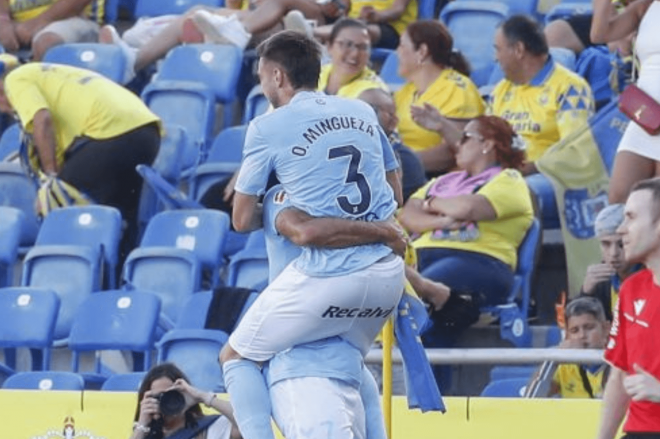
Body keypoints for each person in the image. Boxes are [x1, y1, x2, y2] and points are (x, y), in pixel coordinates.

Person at [219, 31, 405, 439]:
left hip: (331, 276)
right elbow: (395, 191)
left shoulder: (267, 126)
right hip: (388, 276)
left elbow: (241, 217)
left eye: (262, 76)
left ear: (278, 77)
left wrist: (279, 198)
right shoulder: (362, 110)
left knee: (236, 357)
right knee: (355, 365)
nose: (261, 84)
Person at [411, 15, 594, 225]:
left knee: (504, 193)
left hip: (546, 179)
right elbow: (479, 143)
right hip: (500, 175)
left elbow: (576, 154)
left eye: (498, 49)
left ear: (518, 50)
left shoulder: (570, 88)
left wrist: (521, 169)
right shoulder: (501, 91)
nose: (495, 58)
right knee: (439, 191)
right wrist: (443, 126)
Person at [0, 55, 161, 261]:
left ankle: (63, 273)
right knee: (119, 218)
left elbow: (42, 119)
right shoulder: (47, 74)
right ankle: (118, 284)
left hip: (112, 133)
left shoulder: (16, 79)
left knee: (58, 203)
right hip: (147, 134)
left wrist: (51, 178)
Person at [398, 115, 534, 339]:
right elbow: (408, 215)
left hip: (479, 260)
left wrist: (430, 203)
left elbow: (468, 209)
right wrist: (442, 220)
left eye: (464, 138)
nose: (457, 144)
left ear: (487, 144)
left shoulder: (509, 179)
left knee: (415, 294)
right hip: (421, 255)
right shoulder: (442, 181)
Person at [100, 0, 346, 84]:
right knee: (195, 13)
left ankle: (233, 33)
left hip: (306, 30)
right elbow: (235, 6)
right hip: (259, 25)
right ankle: (134, 62)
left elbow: (337, 14)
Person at [596, 177, 660, 439]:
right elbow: (619, 376)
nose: (621, 230)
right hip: (637, 431)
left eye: (631, 218)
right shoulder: (631, 288)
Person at [591, 0, 660, 205]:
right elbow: (599, 35)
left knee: (655, 204)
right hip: (646, 113)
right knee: (620, 198)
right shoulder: (646, 5)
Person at [394, 20, 484, 175]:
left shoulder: (457, 89)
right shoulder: (406, 91)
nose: (397, 52)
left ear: (422, 51)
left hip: (434, 176)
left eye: (402, 45)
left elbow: (452, 153)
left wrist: (400, 165)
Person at [526, 297, 610, 398]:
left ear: (606, 329)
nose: (582, 335)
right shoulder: (564, 365)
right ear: (567, 335)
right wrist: (555, 359)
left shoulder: (620, 362)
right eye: (575, 330)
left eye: (589, 328)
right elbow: (532, 398)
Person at [131, 362, 241, 439]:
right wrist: (142, 425)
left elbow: (248, 423)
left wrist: (202, 397)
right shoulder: (144, 434)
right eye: (158, 397)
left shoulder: (208, 428)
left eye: (170, 395)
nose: (166, 401)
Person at [359, 88, 426, 201]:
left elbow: (392, 204)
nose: (363, 114)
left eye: (373, 109)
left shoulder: (404, 157)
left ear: (393, 121)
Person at [580, 203, 638, 321]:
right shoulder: (601, 280)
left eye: (621, 244)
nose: (613, 253)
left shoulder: (653, 275)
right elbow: (584, 329)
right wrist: (586, 294)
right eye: (606, 244)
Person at [0, 0, 104, 60]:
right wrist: (3, 20)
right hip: (16, 24)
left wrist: (40, 21)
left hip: (71, 18)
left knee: (47, 42)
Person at [317, 18, 388, 98]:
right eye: (347, 44)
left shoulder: (373, 92)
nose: (355, 54)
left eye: (363, 47)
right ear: (329, 46)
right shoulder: (316, 73)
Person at [313, 0, 417, 50]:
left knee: (361, 30)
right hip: (351, 20)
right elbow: (344, 5)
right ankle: (313, 35)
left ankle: (313, 33)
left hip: (387, 26)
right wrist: (336, 7)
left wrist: (377, 16)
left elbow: (397, 10)